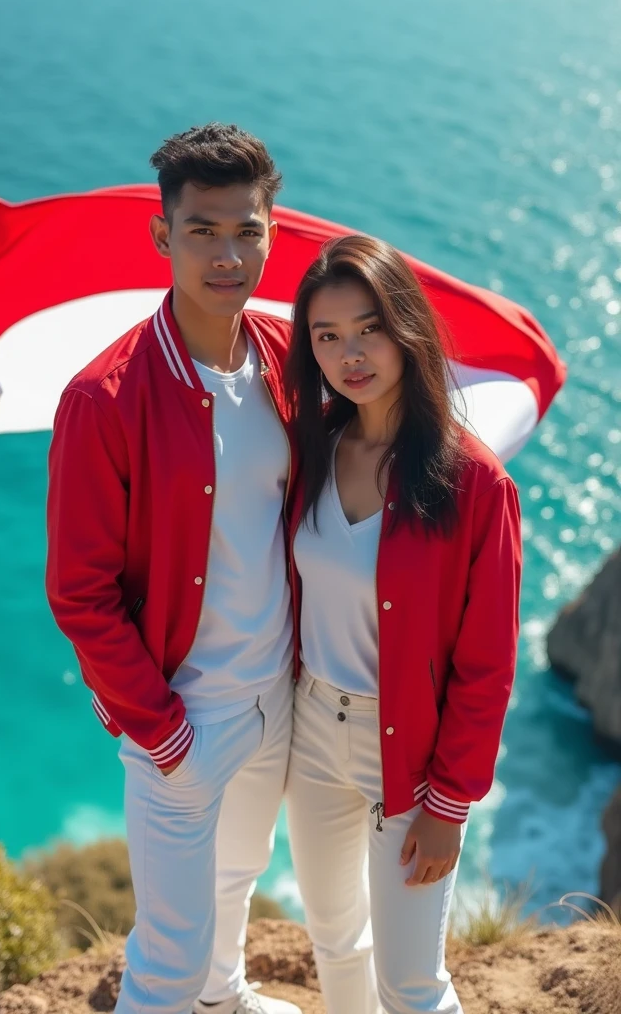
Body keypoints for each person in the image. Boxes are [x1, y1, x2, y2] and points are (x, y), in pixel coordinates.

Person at [46, 123, 301, 1014]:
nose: (228, 255)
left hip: (277, 692)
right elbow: (79, 592)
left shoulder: (283, 361)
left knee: (238, 881)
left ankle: (226, 1000)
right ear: (163, 236)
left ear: (275, 232)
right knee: (166, 958)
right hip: (186, 714)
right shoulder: (102, 398)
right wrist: (160, 734)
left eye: (248, 230)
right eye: (203, 230)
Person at [283, 235, 522, 1014]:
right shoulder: (310, 446)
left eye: (369, 327)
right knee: (333, 936)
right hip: (312, 730)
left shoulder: (474, 481)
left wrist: (450, 807)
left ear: (405, 328)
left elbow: (487, 664)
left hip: (411, 756)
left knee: (413, 981)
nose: (351, 353)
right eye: (327, 335)